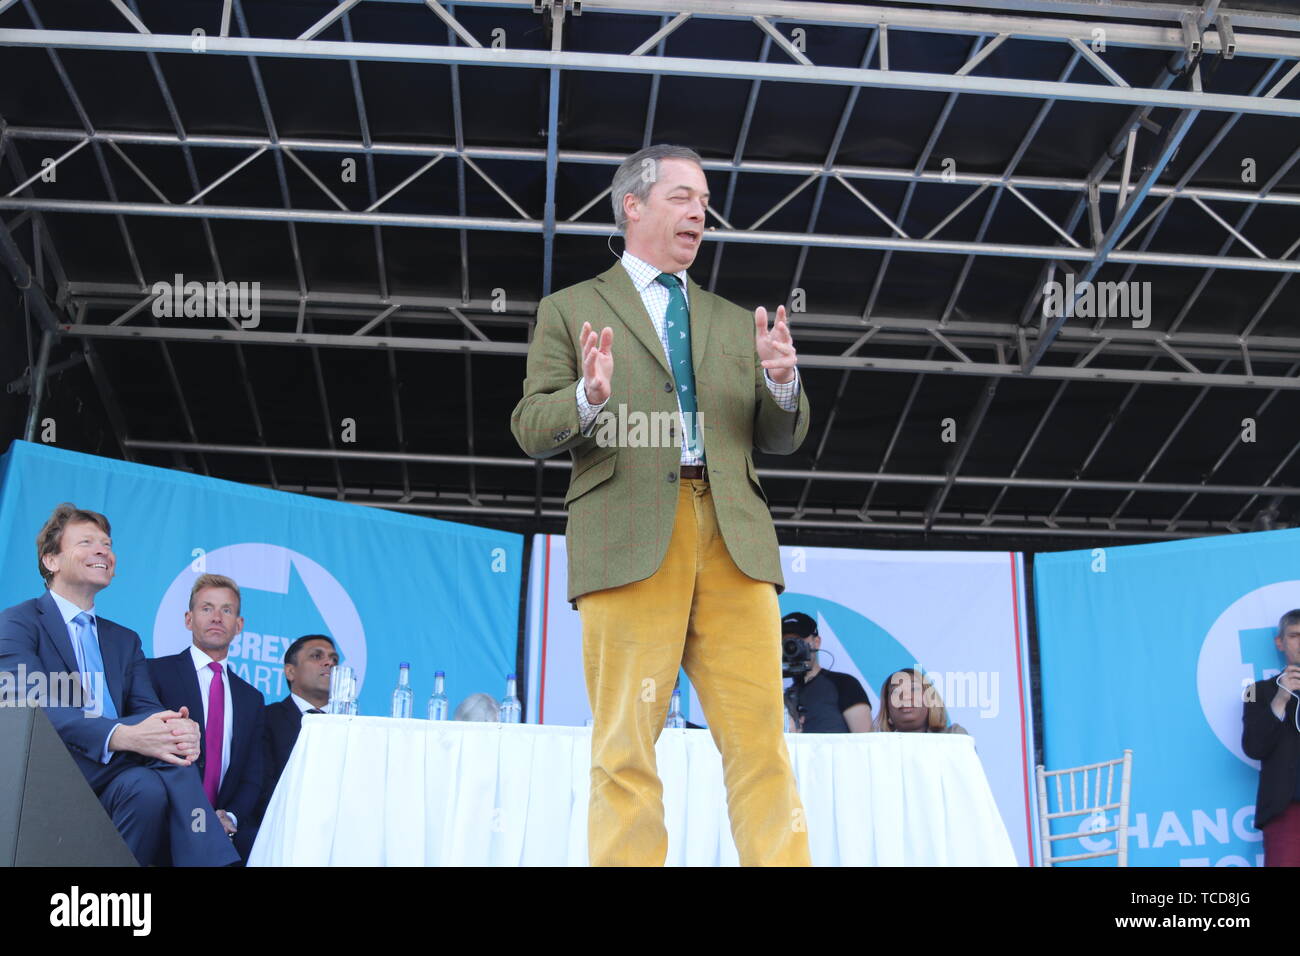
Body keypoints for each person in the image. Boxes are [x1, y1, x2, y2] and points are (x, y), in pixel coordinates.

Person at [510, 144, 812, 866]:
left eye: (705, 200)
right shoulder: (570, 310)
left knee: (761, 742)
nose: (699, 212)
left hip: (732, 533)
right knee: (625, 746)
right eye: (682, 196)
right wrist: (587, 397)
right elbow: (530, 428)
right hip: (630, 531)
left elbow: (781, 436)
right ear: (633, 206)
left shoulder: (737, 319)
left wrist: (780, 383)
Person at [0, 503, 239, 866]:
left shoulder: (124, 640)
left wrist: (174, 726)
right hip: (49, 766)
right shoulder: (17, 623)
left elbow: (146, 708)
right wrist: (121, 736)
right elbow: (32, 708)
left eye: (107, 544)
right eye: (86, 542)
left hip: (117, 771)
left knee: (147, 787)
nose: (103, 551)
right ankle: (214, 860)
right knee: (163, 760)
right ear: (51, 560)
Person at [147, 573, 265, 861]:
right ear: (189, 619)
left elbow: (254, 773)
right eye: (206, 608)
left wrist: (231, 818)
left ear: (239, 625)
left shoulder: (252, 699)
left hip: (222, 838)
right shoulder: (154, 674)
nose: (216, 617)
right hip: (163, 824)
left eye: (227, 610)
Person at [1242, 609, 1300, 866]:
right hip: (1286, 808)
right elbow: (1253, 747)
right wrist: (1281, 698)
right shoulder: (1253, 691)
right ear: (1280, 642)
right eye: (1296, 635)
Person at [259, 634, 337, 817]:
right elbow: (260, 785)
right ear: (290, 672)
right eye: (317, 656)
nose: (329, 663)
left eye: (334, 659)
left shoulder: (352, 727)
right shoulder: (265, 719)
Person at [780, 611, 872, 733]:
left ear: (816, 642)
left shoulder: (844, 684)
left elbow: (866, 742)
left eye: (798, 641)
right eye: (786, 642)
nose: (791, 647)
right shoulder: (782, 695)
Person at [873, 668, 969, 736]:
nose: (905, 696)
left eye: (914, 689)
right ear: (887, 709)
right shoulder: (875, 747)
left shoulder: (955, 736)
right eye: (896, 692)